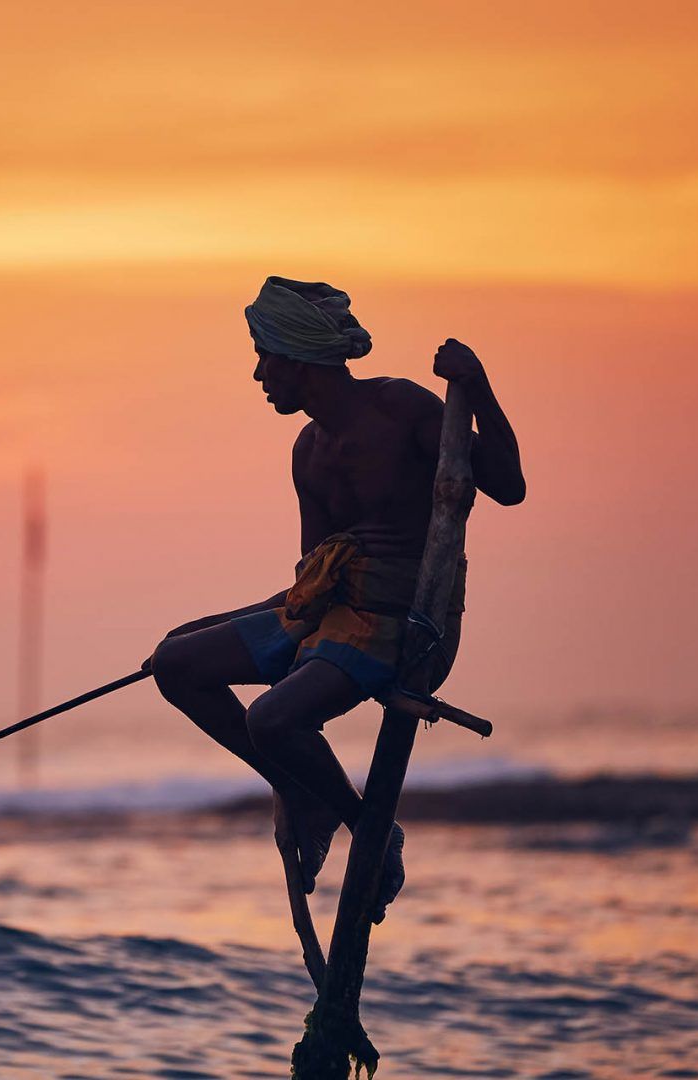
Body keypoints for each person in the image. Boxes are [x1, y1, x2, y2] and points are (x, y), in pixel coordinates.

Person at [148, 277, 525, 922]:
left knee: (272, 720)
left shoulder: (403, 410)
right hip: (330, 614)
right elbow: (311, 572)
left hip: (400, 624)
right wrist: (245, 619)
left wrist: (478, 385)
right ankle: (298, 787)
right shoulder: (307, 451)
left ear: (299, 358)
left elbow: (507, 485)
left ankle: (366, 827)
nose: (259, 373)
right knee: (174, 661)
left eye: (266, 357)